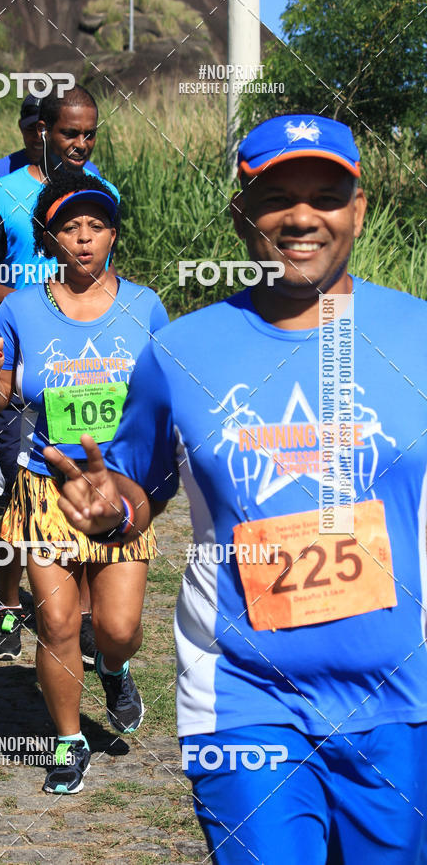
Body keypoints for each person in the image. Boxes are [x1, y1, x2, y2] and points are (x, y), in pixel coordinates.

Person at [45, 114, 427, 861]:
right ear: (241, 212)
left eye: (326, 193)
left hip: (401, 698)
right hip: (244, 696)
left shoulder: (418, 332)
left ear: (360, 208)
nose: (303, 216)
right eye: (277, 194)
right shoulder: (180, 351)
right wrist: (112, 507)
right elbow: (139, 485)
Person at [0, 172, 168, 793]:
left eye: (96, 226)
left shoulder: (147, 306)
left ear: (113, 233)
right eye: (70, 227)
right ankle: (67, 740)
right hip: (45, 486)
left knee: (116, 628)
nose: (84, 239)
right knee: (57, 624)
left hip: (118, 490)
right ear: (51, 236)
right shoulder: (20, 308)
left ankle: (115, 669)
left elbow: (166, 399)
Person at [0, 84, 117, 661]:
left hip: (90, 365)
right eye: (69, 132)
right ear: (43, 130)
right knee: (21, 498)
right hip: (21, 364)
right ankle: (6, 603)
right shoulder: (5, 193)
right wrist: (29, 304)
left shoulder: (105, 192)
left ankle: (91, 614)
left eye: (89, 132)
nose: (80, 142)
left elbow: (108, 276)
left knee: (90, 482)